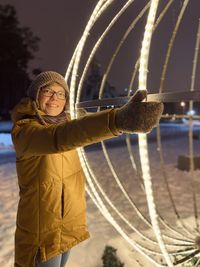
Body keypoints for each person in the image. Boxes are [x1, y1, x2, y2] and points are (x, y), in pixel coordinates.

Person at [11, 71, 163, 267]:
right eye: (47, 91)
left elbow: (79, 126)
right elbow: (61, 137)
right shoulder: (26, 132)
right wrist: (116, 120)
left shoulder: (67, 122)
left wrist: (123, 112)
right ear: (34, 96)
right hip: (43, 231)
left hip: (67, 225)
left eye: (61, 93)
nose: (54, 98)